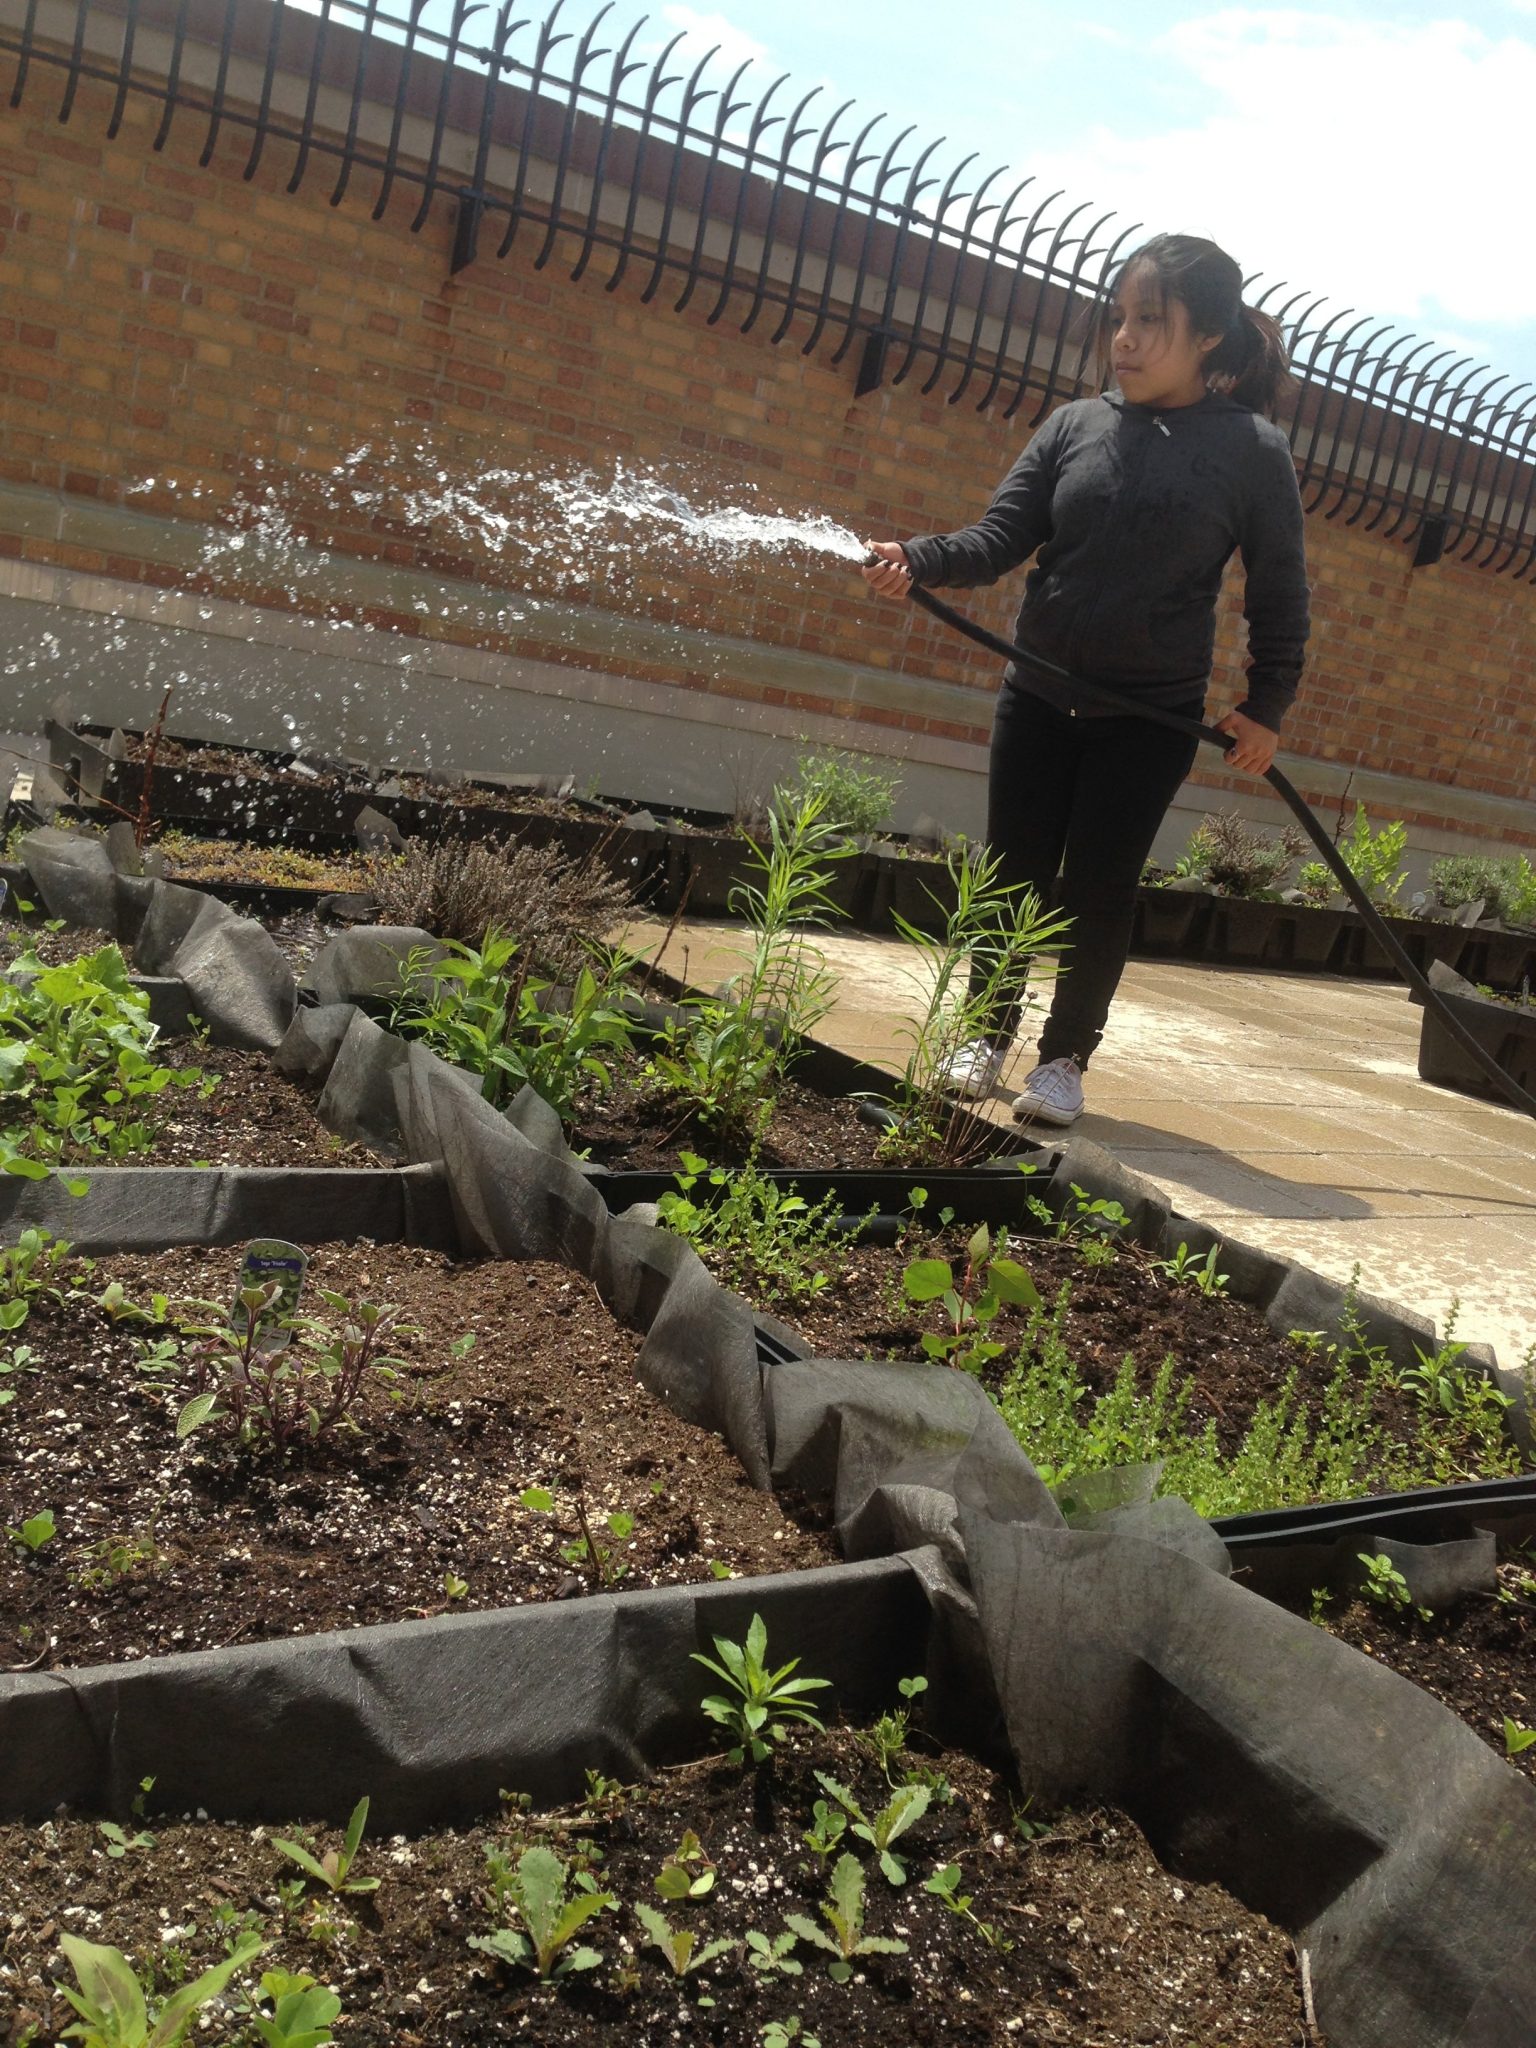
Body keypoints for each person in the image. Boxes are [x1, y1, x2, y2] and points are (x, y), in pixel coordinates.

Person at [861, 231, 1311, 1126]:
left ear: (1210, 335)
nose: (1126, 340)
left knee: (1099, 890)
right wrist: (917, 557)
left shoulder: (1252, 454)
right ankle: (986, 1033)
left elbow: (1279, 593)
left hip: (1147, 719)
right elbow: (998, 538)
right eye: (1121, 319)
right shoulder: (1076, 425)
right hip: (1038, 698)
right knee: (1010, 875)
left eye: (1152, 320)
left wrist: (1267, 707)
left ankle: (1064, 1060)